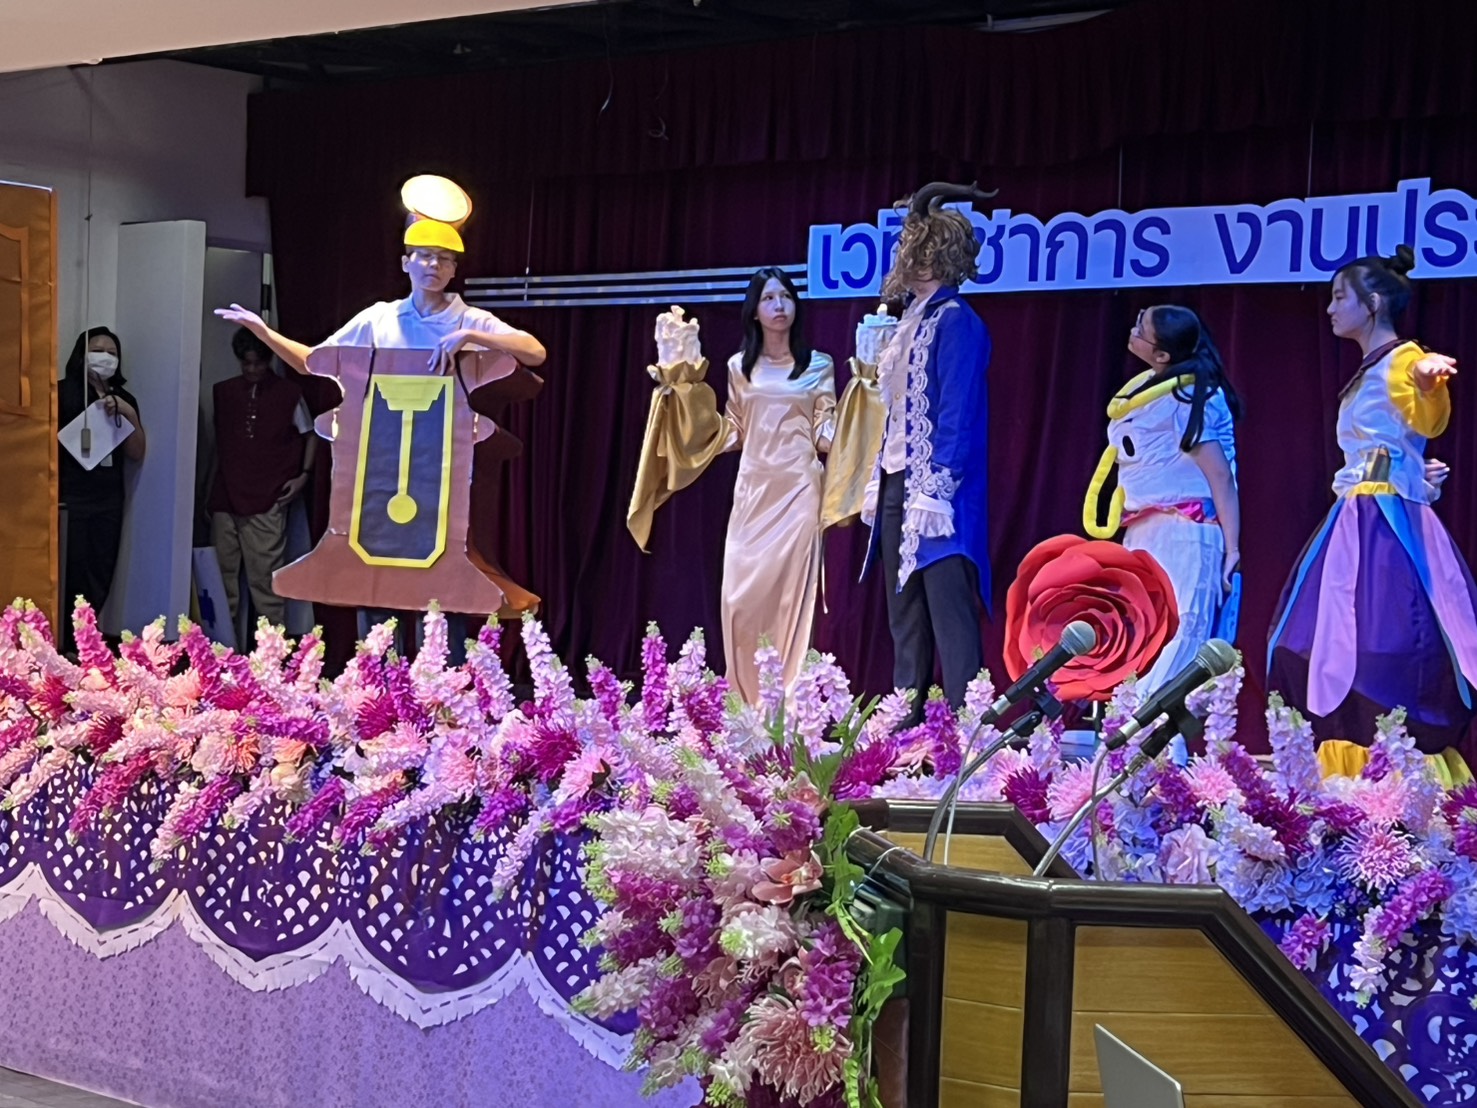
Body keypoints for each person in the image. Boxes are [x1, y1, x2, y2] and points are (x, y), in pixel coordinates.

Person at [215, 176, 546, 648]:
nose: (433, 265)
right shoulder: (380, 317)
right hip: (380, 472)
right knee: (376, 580)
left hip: (442, 476)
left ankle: (441, 685)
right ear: (406, 262)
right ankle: (376, 683)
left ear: (454, 268)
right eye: (424, 256)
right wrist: (263, 332)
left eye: (444, 258)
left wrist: (473, 337)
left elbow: (534, 351)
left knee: (439, 592)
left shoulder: (466, 317)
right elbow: (313, 361)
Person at [1268, 245, 1477, 766]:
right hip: (1357, 513)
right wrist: (1414, 469)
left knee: (1380, 638)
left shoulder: (1406, 359)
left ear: (1374, 302)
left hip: (1381, 519)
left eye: (1341, 297)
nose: (1331, 308)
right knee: (1325, 636)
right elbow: (1397, 439)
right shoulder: (1373, 366)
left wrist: (1428, 385)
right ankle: (1345, 754)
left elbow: (1427, 420)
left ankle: (1385, 758)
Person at [628, 268, 836, 702]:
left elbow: (824, 432)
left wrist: (865, 423)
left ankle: (787, 708)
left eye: (786, 297)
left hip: (799, 493)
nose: (779, 306)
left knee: (790, 604)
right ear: (754, 311)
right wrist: (685, 408)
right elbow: (735, 430)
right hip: (753, 494)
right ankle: (746, 703)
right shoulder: (738, 368)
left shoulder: (818, 365)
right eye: (769, 298)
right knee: (739, 601)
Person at [863, 182, 992, 722]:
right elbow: (897, 412)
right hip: (899, 478)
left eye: (909, 245)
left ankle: (968, 727)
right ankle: (906, 724)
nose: (900, 255)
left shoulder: (956, 320)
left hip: (941, 492)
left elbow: (958, 412)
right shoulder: (911, 318)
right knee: (905, 612)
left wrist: (937, 488)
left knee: (948, 612)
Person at [1083, 305, 1241, 694]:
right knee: (1141, 631)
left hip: (1184, 533)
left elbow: (1220, 477)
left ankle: (1154, 723)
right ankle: (1128, 719)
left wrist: (1232, 548)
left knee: (1181, 631)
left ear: (1163, 354)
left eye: (1141, 328)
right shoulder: (1148, 390)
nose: (1133, 329)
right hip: (1144, 530)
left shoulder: (1191, 396)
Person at [208, 327, 318, 628]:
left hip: (269, 494)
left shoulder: (288, 394)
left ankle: (271, 649)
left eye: (258, 363)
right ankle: (221, 646)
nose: (252, 369)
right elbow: (219, 445)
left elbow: (310, 434)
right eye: (246, 363)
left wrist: (303, 475)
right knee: (222, 580)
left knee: (265, 581)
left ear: (269, 360)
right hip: (225, 493)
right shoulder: (224, 392)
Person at [58, 327, 146, 646]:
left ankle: (87, 640)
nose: (105, 358)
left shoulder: (124, 398)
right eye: (97, 350)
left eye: (112, 353)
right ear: (81, 355)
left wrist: (128, 413)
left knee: (101, 568)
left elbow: (137, 452)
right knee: (72, 569)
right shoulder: (62, 392)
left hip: (109, 498)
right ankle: (64, 640)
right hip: (71, 496)